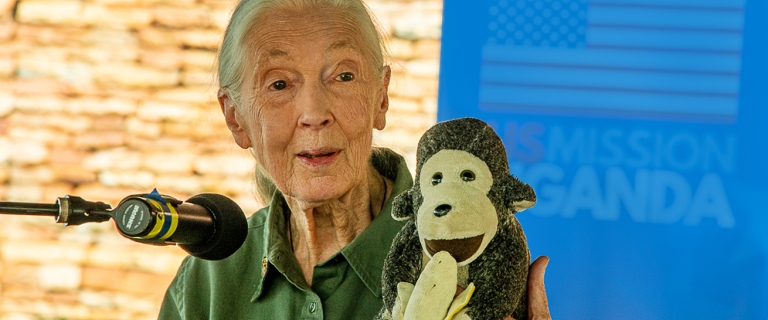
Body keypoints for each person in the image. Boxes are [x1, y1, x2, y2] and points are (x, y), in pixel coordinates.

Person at [158, 0, 550, 319]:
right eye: (279, 84)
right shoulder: (207, 280)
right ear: (235, 118)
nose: (314, 112)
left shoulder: (469, 245)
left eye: (343, 77)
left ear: (381, 96)